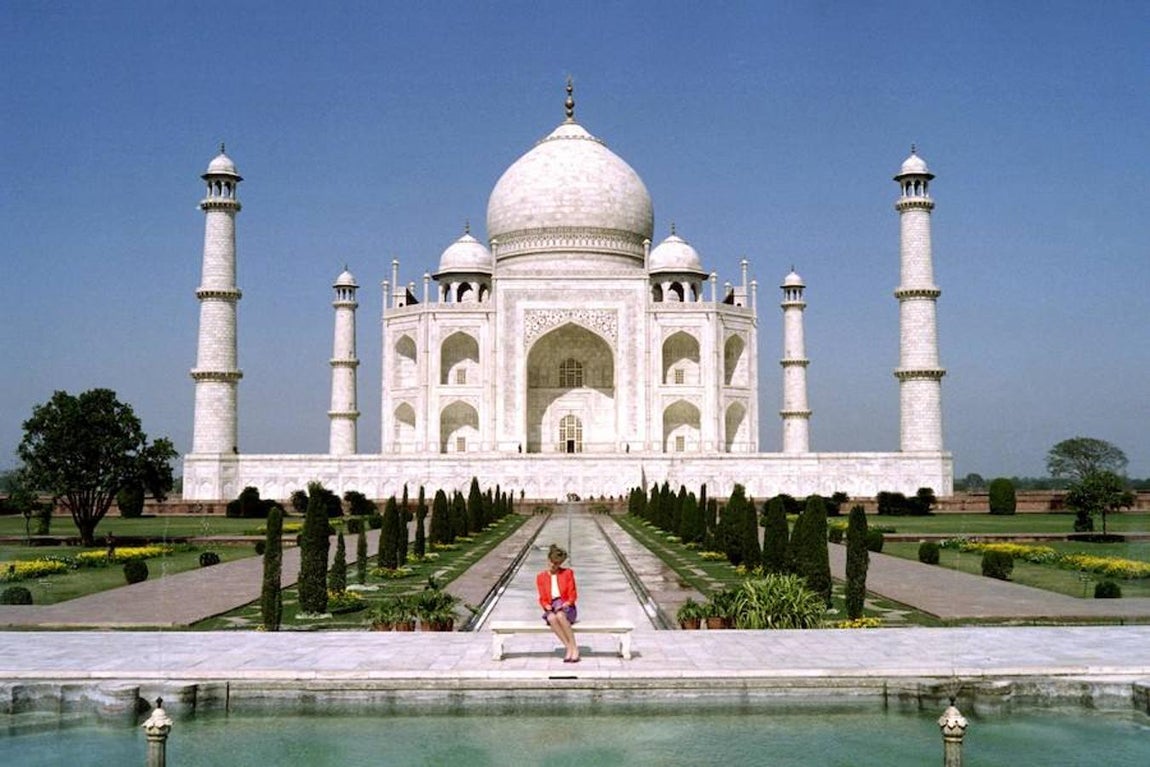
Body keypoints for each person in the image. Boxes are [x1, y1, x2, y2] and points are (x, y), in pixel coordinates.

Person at [536, 543, 579, 662]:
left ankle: (574, 647)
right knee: (551, 618)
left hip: (567, 607)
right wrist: (546, 605)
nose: (553, 565)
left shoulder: (567, 573)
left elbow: (573, 594)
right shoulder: (541, 577)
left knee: (560, 615)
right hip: (552, 606)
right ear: (548, 560)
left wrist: (566, 603)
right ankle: (568, 647)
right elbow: (542, 598)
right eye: (552, 562)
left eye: (557, 563)